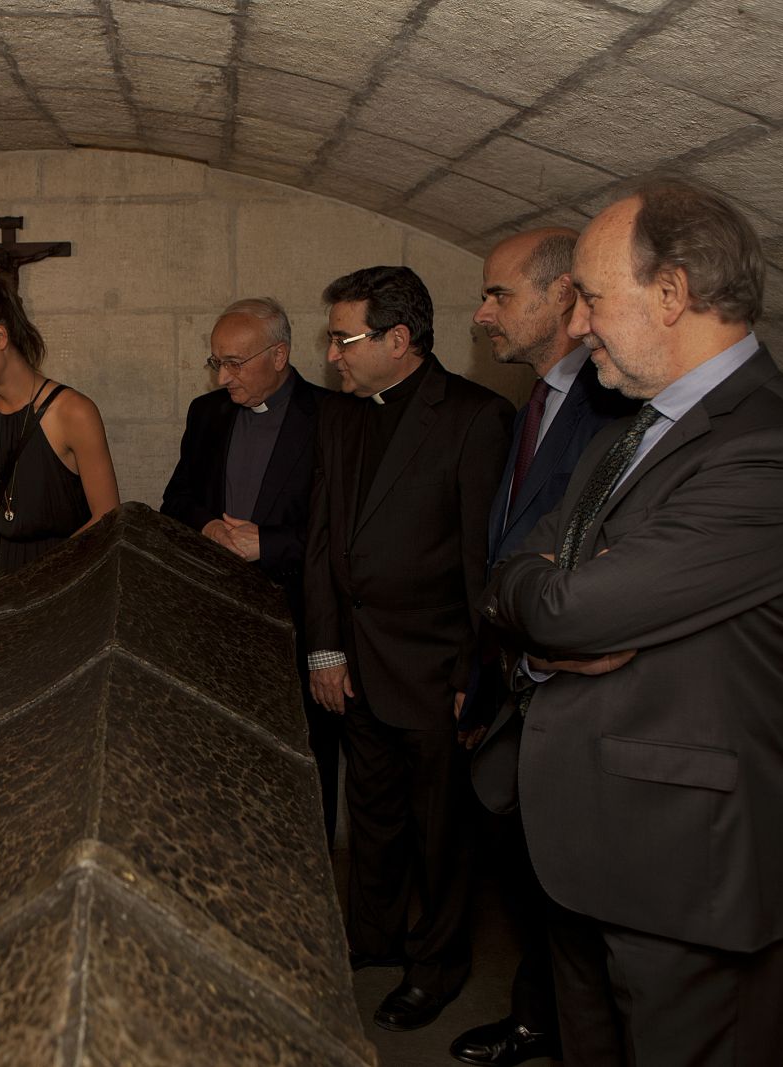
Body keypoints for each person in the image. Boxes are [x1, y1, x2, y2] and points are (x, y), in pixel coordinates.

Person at [482, 177, 783, 1066]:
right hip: (585, 851)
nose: (576, 328)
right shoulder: (622, 429)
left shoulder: (778, 448)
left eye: (594, 301)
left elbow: (563, 604)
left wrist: (548, 599)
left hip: (692, 871)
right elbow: (508, 575)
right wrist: (543, 614)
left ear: (674, 292)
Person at [303, 266, 512, 1032]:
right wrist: (325, 648)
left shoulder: (474, 417)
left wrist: (474, 674)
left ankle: (438, 964)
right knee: (375, 815)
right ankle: (373, 940)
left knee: (439, 831)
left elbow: (480, 565)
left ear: (399, 339)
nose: (332, 357)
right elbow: (323, 540)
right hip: (355, 660)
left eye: (343, 339)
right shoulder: (342, 414)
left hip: (434, 666)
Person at [450, 228, 634, 1067]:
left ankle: (557, 1025)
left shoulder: (614, 404)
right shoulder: (538, 399)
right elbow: (512, 550)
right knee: (535, 878)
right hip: (522, 671)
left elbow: (577, 567)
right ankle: (540, 1019)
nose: (483, 313)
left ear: (563, 299)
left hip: (578, 689)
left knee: (579, 894)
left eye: (499, 295)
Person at [160, 297, 337, 846]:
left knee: (306, 762)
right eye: (216, 362)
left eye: (235, 362)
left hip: (301, 621)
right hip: (218, 621)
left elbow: (347, 535)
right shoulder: (206, 413)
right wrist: (209, 526)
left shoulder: (334, 417)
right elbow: (176, 502)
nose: (223, 375)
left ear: (279, 355)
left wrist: (272, 545)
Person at [0, 278, 119, 575]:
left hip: (65, 568)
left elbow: (107, 517)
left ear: (0, 338)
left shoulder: (74, 412)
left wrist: (43, 576)